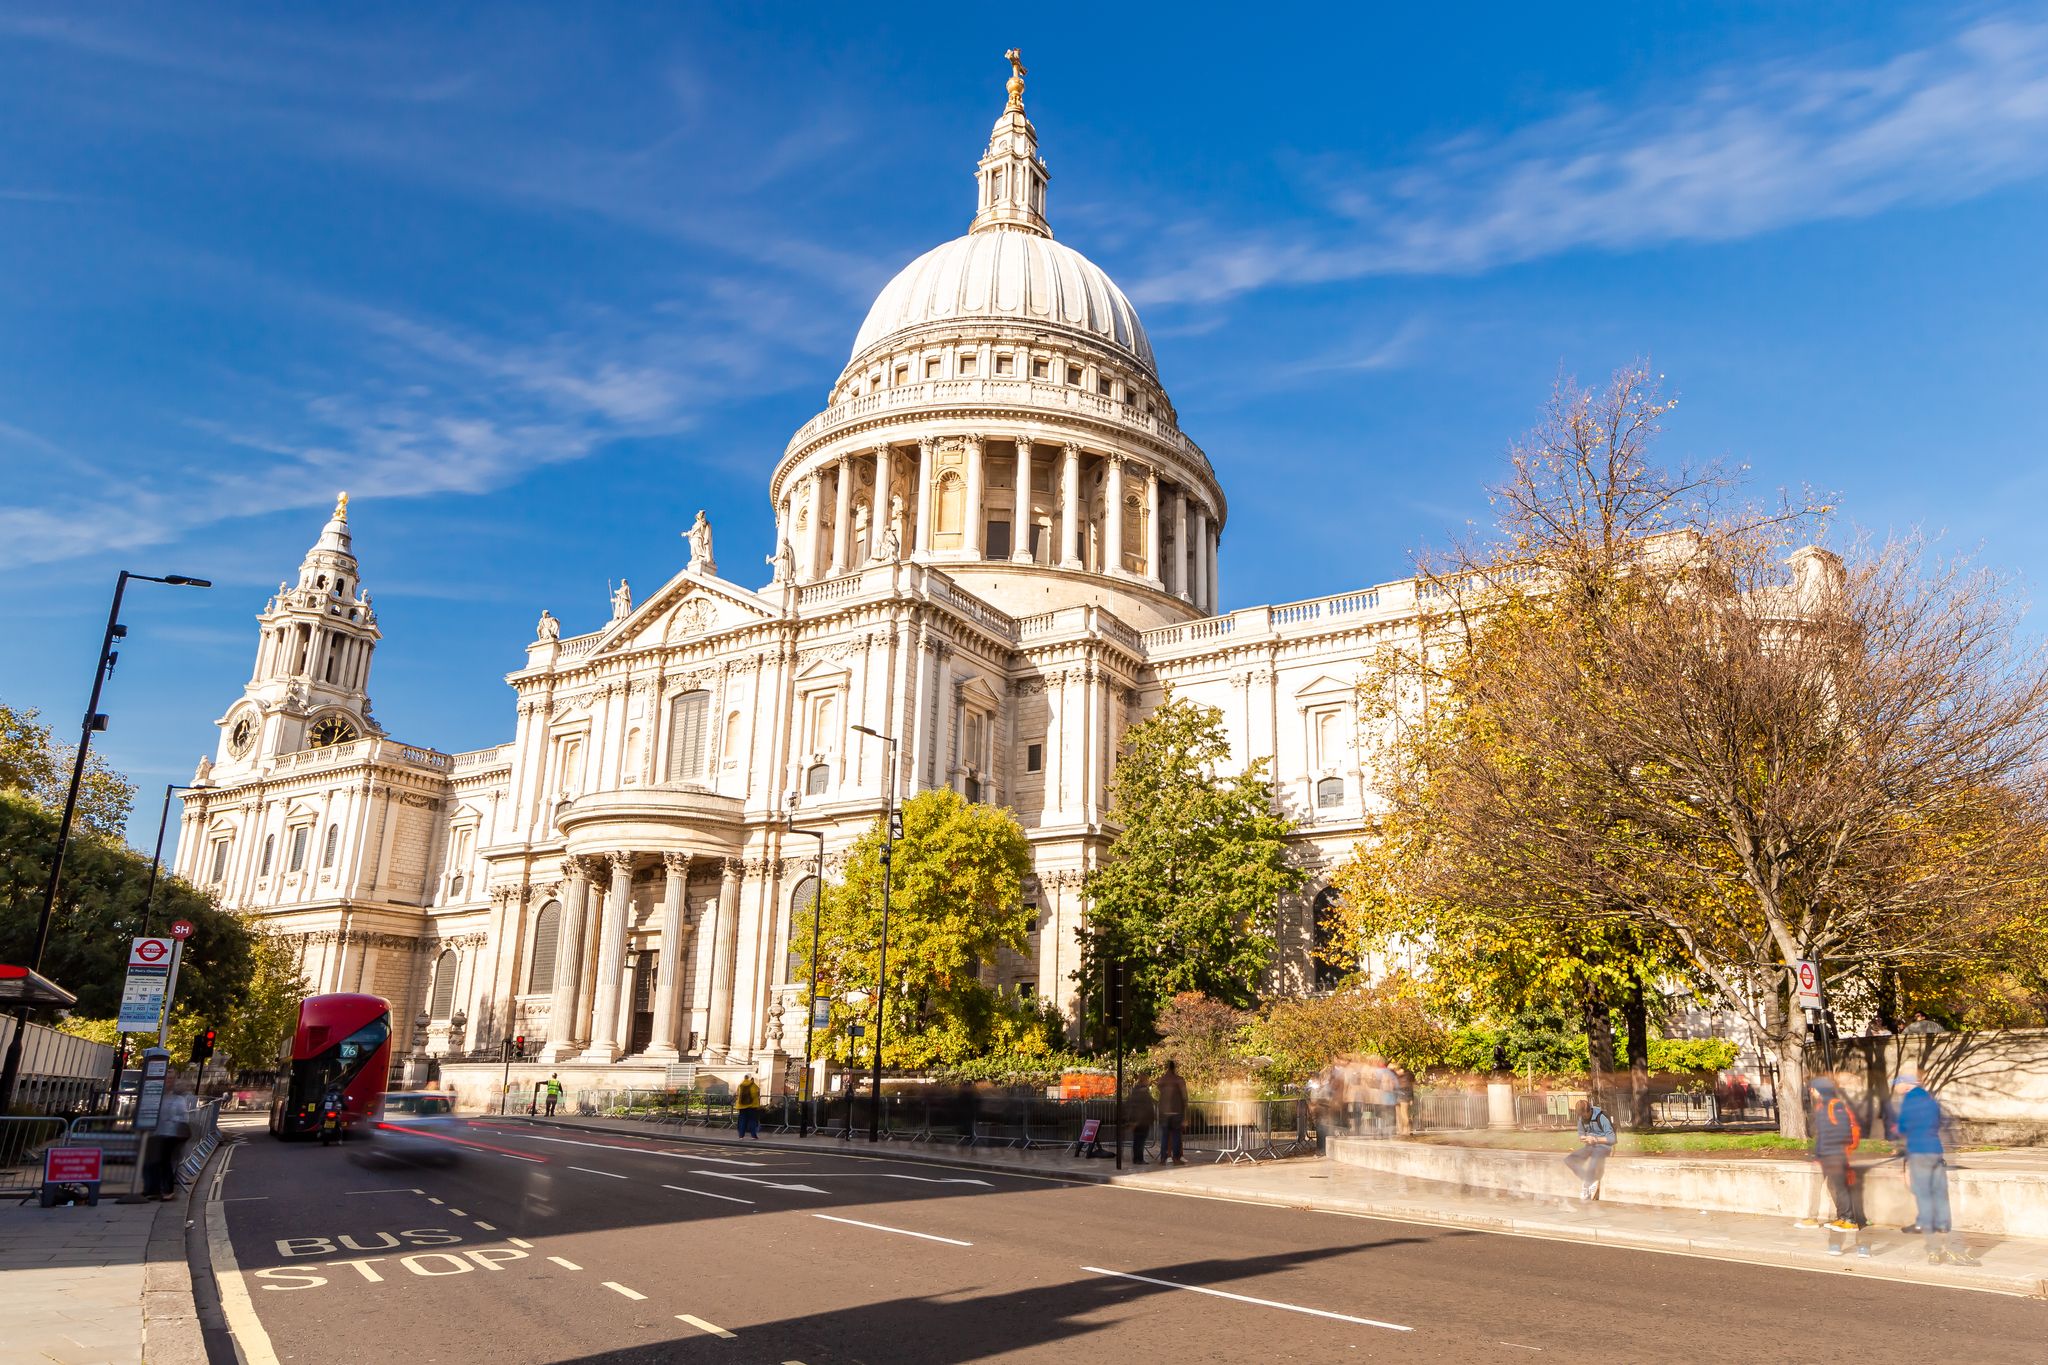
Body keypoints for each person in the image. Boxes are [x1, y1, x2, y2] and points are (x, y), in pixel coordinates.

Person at [1889, 1069, 1979, 1266]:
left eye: (1896, 1083)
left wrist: (1901, 1163)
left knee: (1925, 1202)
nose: (1895, 1087)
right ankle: (1954, 1248)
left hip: (1918, 1155)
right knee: (1941, 1200)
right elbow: (1942, 1124)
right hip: (1935, 1152)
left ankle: (1934, 1251)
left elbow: (1903, 1129)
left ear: (1905, 1084)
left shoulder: (1908, 1101)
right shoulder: (1930, 1099)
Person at [1808, 1071, 1869, 1257]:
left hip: (1840, 1155)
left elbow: (1844, 1132)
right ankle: (1839, 1239)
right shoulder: (1825, 1105)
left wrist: (1832, 1151)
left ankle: (1859, 1243)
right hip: (1833, 1155)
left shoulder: (1836, 1104)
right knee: (1839, 1192)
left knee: (1845, 1194)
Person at [147, 1081, 194, 1201]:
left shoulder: (178, 1100)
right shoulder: (158, 1099)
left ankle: (168, 1190)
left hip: (172, 1134)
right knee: (155, 1162)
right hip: (158, 1133)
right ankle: (154, 1190)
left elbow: (184, 1117)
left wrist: (171, 1119)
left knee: (166, 1161)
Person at [1564, 1097, 1615, 1201]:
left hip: (1603, 1146)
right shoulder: (1581, 1118)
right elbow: (1581, 1133)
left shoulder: (1601, 1117)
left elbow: (1612, 1138)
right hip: (1590, 1146)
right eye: (1581, 1116)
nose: (1583, 1118)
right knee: (1570, 1160)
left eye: (1584, 1115)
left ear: (1589, 1110)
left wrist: (1596, 1139)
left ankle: (1588, 1184)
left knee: (1593, 1161)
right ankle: (1589, 1181)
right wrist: (1583, 1137)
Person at [1156, 1059, 1188, 1165]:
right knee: (1176, 1136)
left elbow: (1159, 1088)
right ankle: (1176, 1158)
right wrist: (1185, 1114)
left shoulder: (1162, 1080)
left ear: (1167, 1068)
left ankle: (1163, 1158)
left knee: (1165, 1136)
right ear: (1174, 1068)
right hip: (1176, 1111)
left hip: (1164, 1112)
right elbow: (1184, 1097)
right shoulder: (1179, 1080)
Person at [1125, 1074, 1157, 1165]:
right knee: (1140, 1140)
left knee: (1138, 1140)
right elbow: (1142, 1107)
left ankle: (1137, 1158)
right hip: (1142, 1120)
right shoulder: (1142, 1091)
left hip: (1139, 1120)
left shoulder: (1137, 1090)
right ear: (1144, 1080)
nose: (1148, 1081)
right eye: (1147, 1080)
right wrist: (1137, 1121)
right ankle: (1139, 1159)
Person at [735, 1073, 763, 1139]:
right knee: (752, 1121)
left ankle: (741, 1136)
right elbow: (756, 1094)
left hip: (742, 1106)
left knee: (742, 1121)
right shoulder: (753, 1085)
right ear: (751, 1078)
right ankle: (753, 1135)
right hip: (752, 1106)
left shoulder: (740, 1085)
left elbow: (738, 1094)